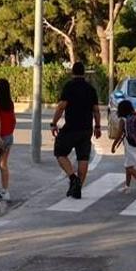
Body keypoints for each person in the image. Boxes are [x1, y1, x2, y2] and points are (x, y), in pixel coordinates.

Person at [50, 61, 101, 199]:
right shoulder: (91, 89)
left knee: (59, 152)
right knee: (83, 158)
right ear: (84, 73)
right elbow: (96, 110)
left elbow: (61, 106)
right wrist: (97, 126)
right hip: (86, 129)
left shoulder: (69, 87)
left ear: (72, 72)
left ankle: (73, 179)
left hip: (71, 127)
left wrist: (54, 123)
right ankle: (78, 188)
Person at [111, 100, 136, 193]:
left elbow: (119, 134)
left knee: (128, 166)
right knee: (129, 164)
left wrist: (114, 145)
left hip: (129, 144)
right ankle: (127, 186)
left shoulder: (123, 120)